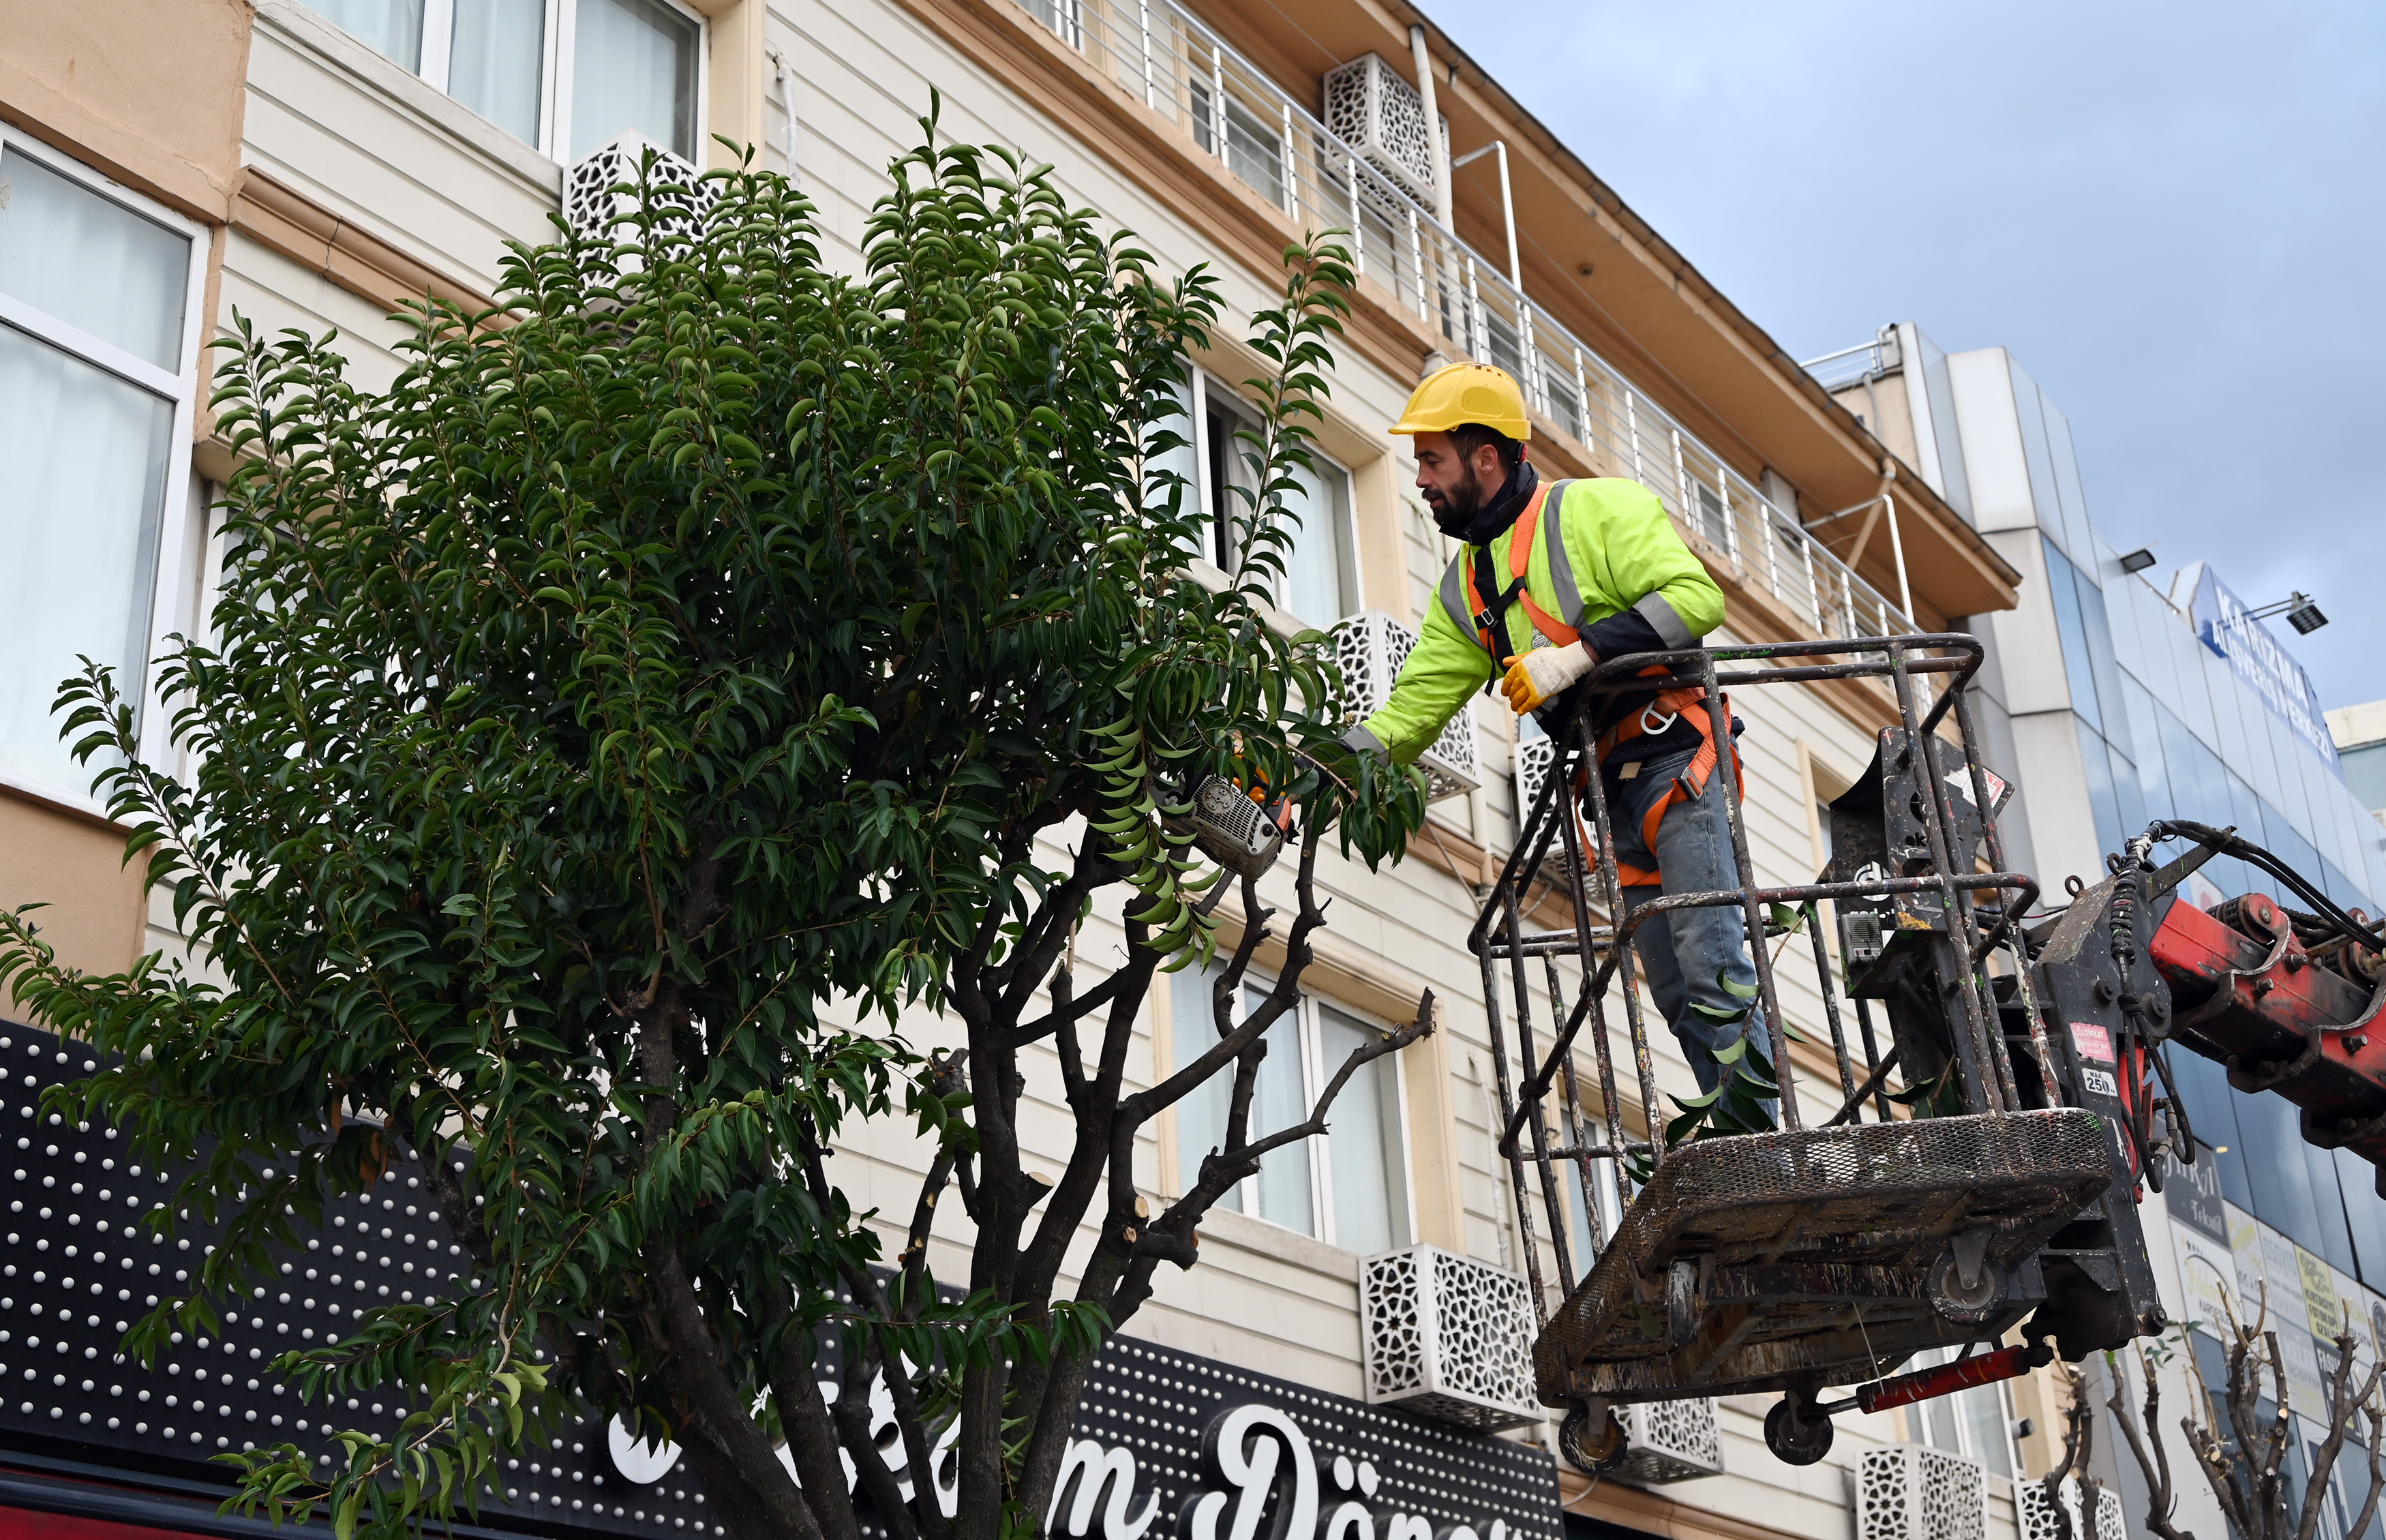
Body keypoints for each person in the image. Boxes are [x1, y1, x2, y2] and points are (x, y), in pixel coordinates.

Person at [1338, 362, 1770, 1105]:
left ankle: (1773, 1150)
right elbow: (1408, 716)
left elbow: (1695, 600)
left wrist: (1576, 656)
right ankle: (1748, 1138)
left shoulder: (1596, 512)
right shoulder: (1464, 590)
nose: (1420, 480)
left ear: (1485, 456)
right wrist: (1314, 767)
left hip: (1677, 757)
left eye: (1431, 460)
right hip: (1611, 792)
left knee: (1709, 961)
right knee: (1670, 986)